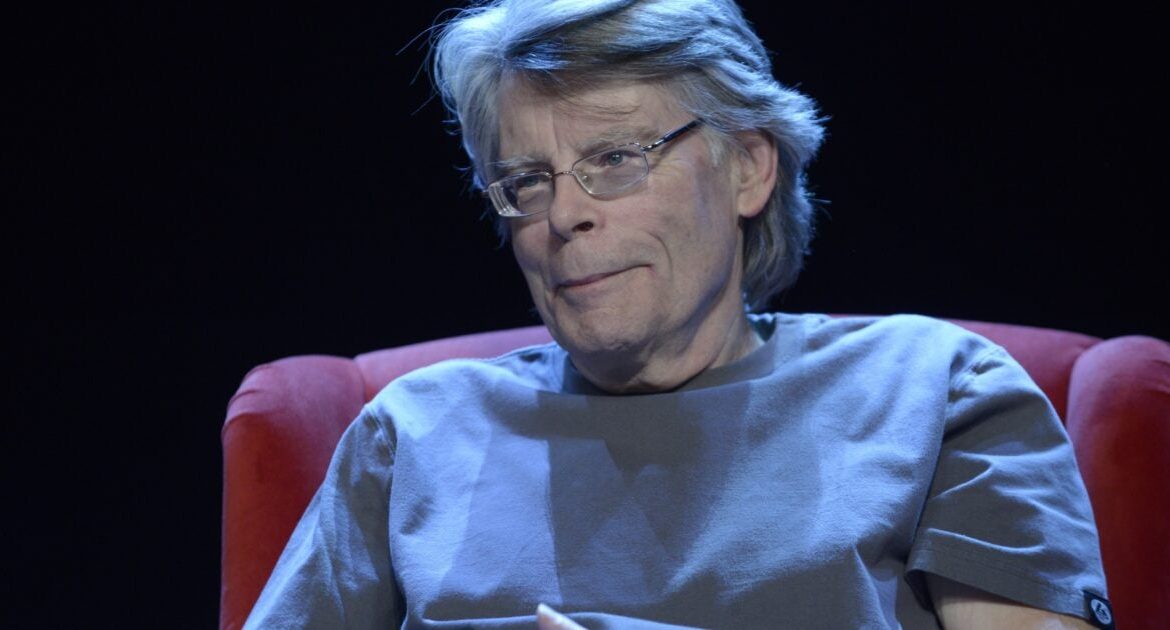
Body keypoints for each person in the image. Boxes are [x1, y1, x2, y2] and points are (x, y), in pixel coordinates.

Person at [245, 0, 1111, 627]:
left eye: (615, 158)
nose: (563, 215)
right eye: (527, 181)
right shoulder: (414, 435)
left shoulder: (934, 392)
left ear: (748, 167)